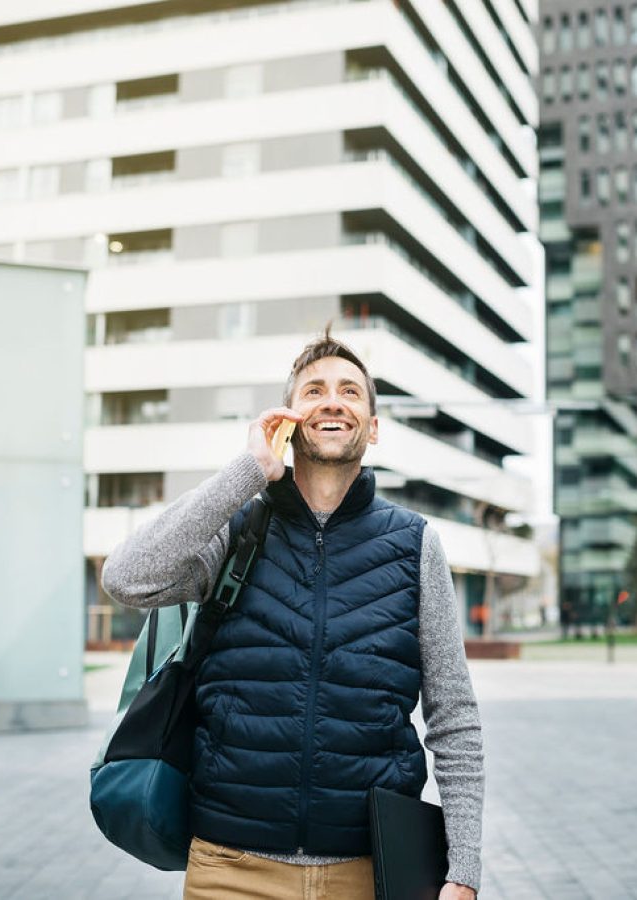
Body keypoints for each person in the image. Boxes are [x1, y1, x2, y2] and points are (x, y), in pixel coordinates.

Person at [102, 328, 484, 900]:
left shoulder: (414, 544)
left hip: (368, 870)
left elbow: (453, 716)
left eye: (351, 392)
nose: (333, 400)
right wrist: (249, 469)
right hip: (231, 867)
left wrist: (464, 869)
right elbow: (126, 577)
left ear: (372, 427)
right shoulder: (236, 531)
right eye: (314, 390)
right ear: (288, 418)